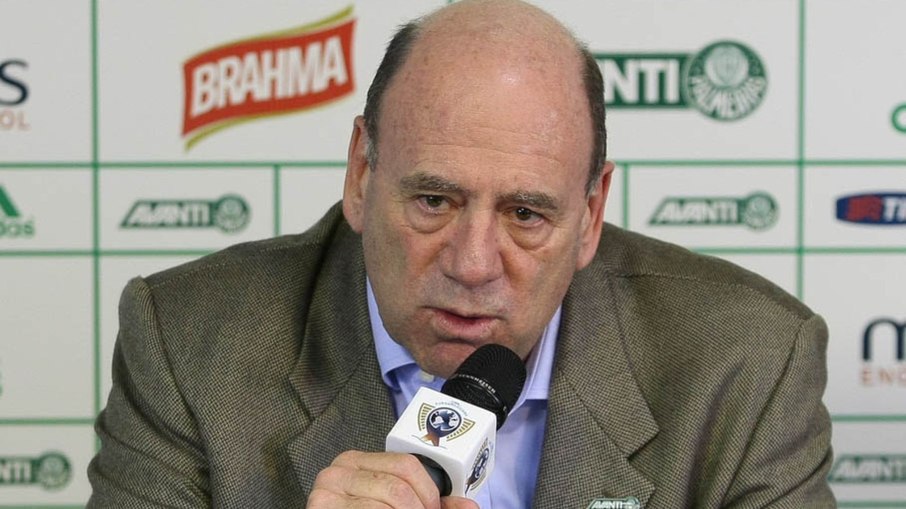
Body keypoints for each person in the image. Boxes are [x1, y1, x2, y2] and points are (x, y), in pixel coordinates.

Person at [87, 1, 835, 507]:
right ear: (361, 174)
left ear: (590, 214)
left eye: (526, 214)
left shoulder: (747, 362)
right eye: (434, 201)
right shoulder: (189, 342)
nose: (474, 265)